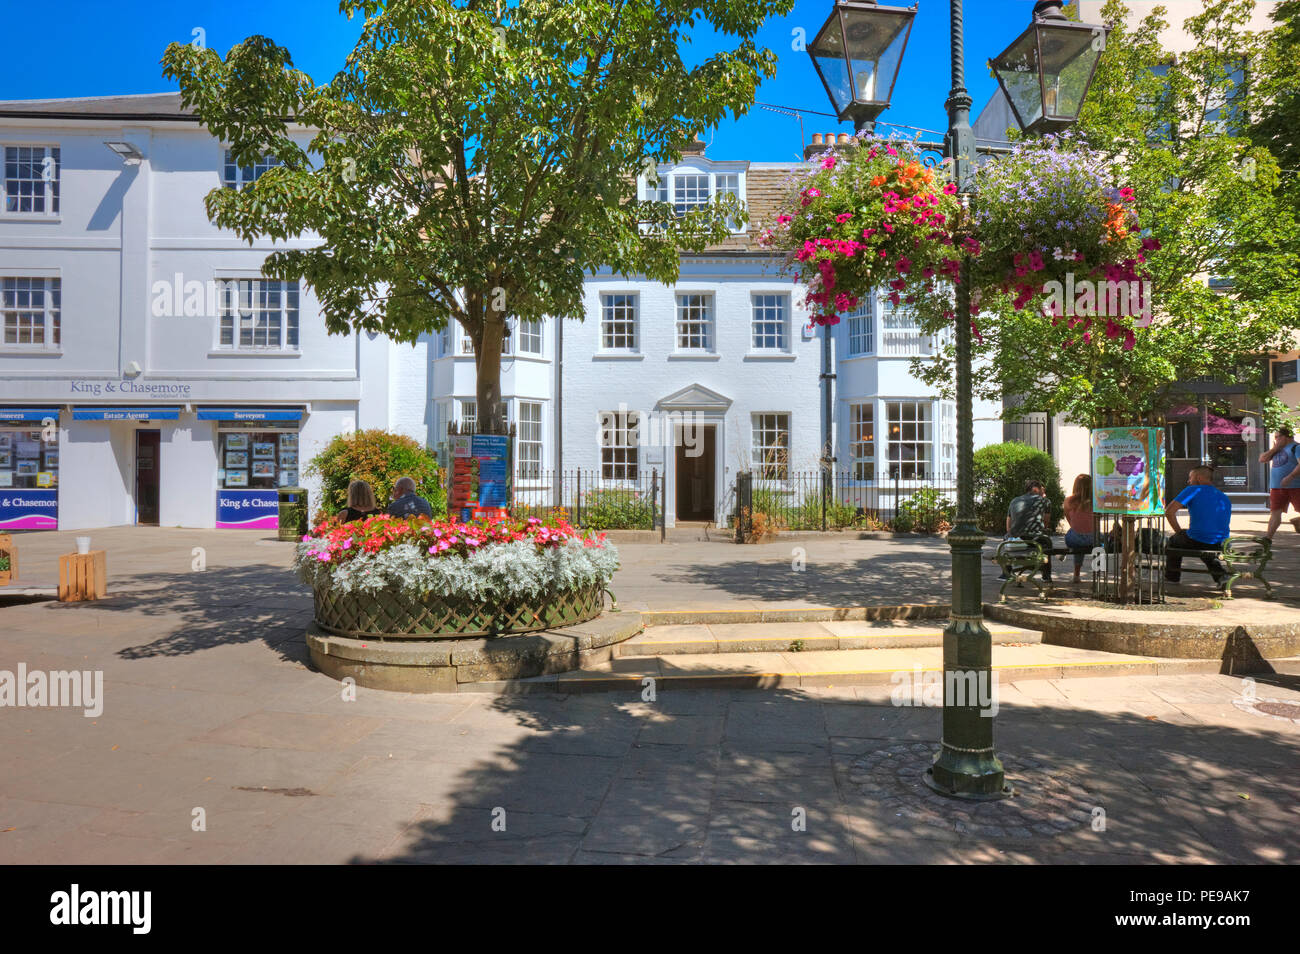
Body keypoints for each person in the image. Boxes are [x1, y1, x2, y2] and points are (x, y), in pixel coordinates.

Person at [1164, 465, 1230, 586]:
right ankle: (1220, 576)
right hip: (1221, 541)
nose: (1188, 481)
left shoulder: (1193, 490)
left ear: (1198, 478)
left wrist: (1179, 532)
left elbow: (1169, 512)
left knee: (1174, 540)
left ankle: (1172, 577)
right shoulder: (1223, 496)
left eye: (1190, 477)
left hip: (1199, 539)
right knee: (1204, 543)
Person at [1003, 479, 1053, 582]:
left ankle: (1006, 573)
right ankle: (1046, 575)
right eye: (1041, 489)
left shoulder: (1014, 501)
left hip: (1014, 540)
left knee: (1007, 536)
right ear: (1036, 489)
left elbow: (1008, 527)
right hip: (1035, 540)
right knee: (1047, 542)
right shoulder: (1045, 501)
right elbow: (1046, 523)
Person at [1259, 426, 1300, 540]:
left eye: (1278, 437)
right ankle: (1267, 539)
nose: (1276, 439)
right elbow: (1262, 459)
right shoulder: (1277, 449)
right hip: (1277, 487)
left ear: (1286, 436)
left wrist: (1290, 477)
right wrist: (1274, 448)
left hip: (1296, 486)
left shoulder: (1296, 447)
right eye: (1275, 437)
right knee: (1275, 513)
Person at [1063, 474, 1095, 584]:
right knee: (1100, 545)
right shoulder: (1096, 501)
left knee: (1075, 536)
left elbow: (1070, 520)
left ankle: (1076, 574)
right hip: (1093, 538)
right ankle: (1098, 574)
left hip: (1075, 539)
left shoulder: (1068, 501)